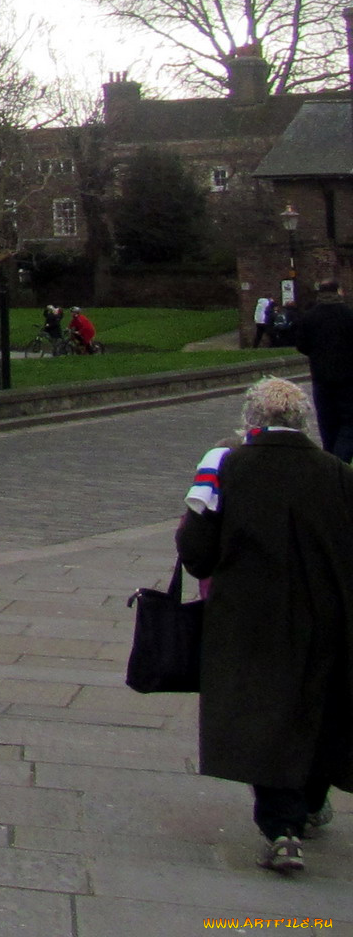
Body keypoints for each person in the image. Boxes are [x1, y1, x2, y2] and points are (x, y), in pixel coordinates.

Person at [179, 376, 353, 875]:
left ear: (251, 422)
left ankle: (281, 826)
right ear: (303, 422)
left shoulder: (228, 469)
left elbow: (197, 554)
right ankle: (308, 803)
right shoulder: (339, 475)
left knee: (264, 716)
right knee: (314, 709)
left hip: (250, 621)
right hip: (326, 618)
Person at [292, 283, 353, 461]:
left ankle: (330, 459)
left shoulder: (310, 317)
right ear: (339, 292)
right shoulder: (348, 315)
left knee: (327, 423)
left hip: (321, 377)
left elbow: (302, 345)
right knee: (350, 422)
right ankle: (339, 460)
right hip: (348, 378)